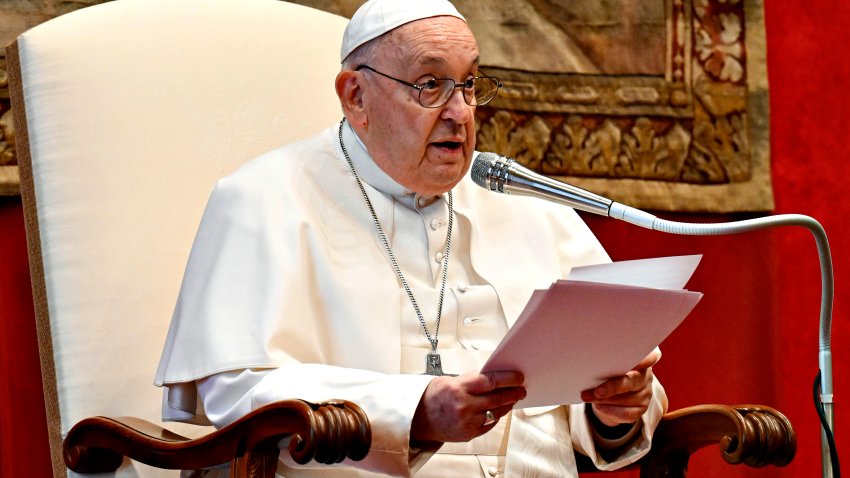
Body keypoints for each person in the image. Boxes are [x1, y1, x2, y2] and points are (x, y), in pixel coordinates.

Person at [155, 0, 667, 476]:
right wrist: (416, 410)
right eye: (430, 85)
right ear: (356, 96)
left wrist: (612, 409)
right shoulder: (262, 198)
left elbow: (616, 381)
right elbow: (235, 390)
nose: (460, 113)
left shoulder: (524, 202)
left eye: (468, 85)